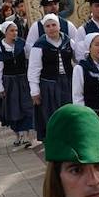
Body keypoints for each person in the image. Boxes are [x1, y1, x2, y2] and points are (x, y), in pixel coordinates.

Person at [28, 13, 75, 142]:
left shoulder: (68, 41)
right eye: (48, 26)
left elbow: (78, 59)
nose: (51, 28)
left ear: (59, 26)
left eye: (54, 25)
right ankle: (56, 141)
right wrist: (35, 91)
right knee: (53, 114)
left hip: (68, 83)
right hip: (49, 85)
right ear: (44, 29)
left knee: (70, 111)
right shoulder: (39, 45)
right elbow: (33, 69)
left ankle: (71, 138)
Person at [0, 20, 36, 149]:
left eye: (16, 30)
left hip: (23, 80)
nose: (15, 33)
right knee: (13, 109)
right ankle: (17, 135)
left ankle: (28, 136)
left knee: (27, 107)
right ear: (5, 32)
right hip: (9, 82)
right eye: (12, 31)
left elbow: (31, 60)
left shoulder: (22, 44)